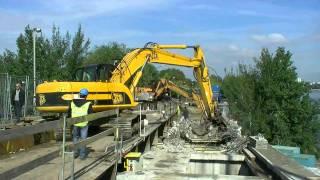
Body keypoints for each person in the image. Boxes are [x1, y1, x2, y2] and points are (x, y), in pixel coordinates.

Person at [68, 88, 93, 160]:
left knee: (75, 138)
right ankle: (82, 155)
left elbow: (69, 112)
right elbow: (91, 114)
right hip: (84, 124)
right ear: (86, 96)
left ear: (79, 94)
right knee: (83, 139)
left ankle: (75, 153)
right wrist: (90, 122)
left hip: (75, 123)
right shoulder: (88, 103)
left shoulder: (72, 102)